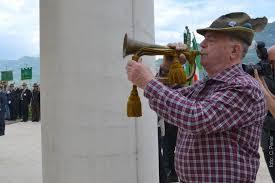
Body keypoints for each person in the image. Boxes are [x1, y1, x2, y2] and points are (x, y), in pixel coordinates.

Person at [126, 12, 267, 182]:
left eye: (211, 40)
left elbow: (196, 117)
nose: (202, 44)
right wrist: (167, 68)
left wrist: (148, 82)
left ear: (234, 50)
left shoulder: (244, 87)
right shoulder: (209, 83)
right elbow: (173, 102)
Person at [254, 44, 275, 181]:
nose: (270, 66)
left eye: (272, 62)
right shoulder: (266, 74)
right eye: (268, 61)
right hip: (269, 135)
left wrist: (261, 84)